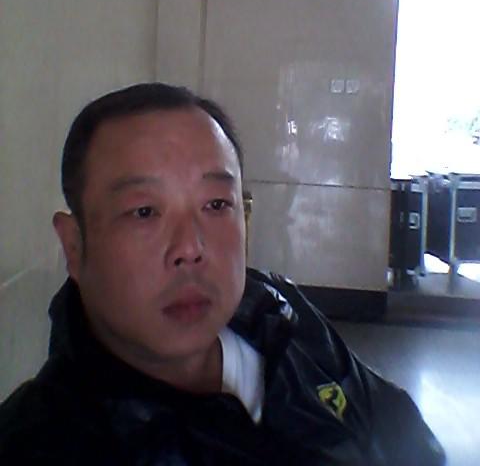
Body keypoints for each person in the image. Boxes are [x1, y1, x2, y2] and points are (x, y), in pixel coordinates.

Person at [0, 82, 445, 465]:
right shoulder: (39, 442)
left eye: (216, 205)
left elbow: (401, 430)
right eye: (144, 211)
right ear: (74, 246)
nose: (190, 248)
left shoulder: (280, 313)